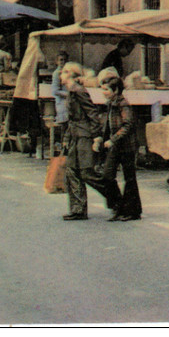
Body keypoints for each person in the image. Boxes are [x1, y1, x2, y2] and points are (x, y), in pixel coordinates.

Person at [62, 66, 117, 220]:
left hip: (84, 135)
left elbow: (92, 113)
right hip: (75, 135)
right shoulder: (71, 91)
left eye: (63, 72)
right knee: (71, 171)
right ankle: (78, 209)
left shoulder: (79, 91)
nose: (60, 75)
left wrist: (96, 137)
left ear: (70, 75)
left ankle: (116, 198)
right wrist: (67, 138)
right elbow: (71, 119)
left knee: (87, 173)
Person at [98, 66, 142, 221]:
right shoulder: (110, 104)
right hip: (115, 147)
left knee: (130, 178)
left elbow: (128, 125)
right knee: (107, 176)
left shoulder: (123, 104)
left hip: (126, 147)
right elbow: (107, 125)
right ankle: (118, 206)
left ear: (115, 90)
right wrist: (102, 138)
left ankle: (132, 211)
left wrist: (113, 139)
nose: (103, 92)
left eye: (106, 90)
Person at [51, 51, 71, 136]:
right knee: (64, 127)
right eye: (61, 60)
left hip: (69, 103)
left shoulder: (68, 72)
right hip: (61, 103)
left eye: (65, 60)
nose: (63, 62)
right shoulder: (56, 73)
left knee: (69, 128)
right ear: (57, 61)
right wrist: (68, 94)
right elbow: (55, 91)